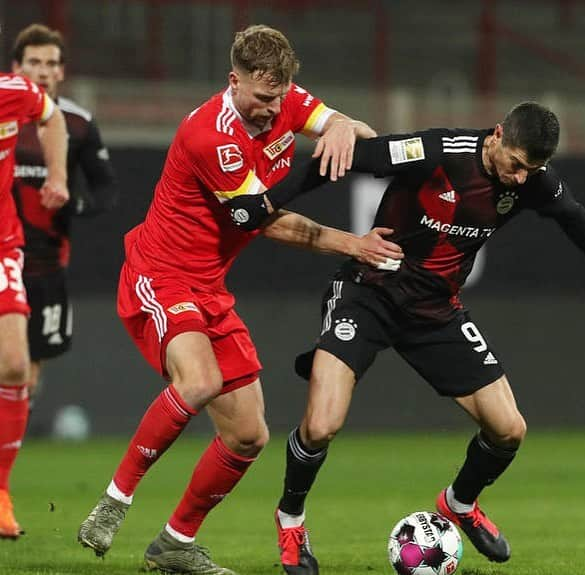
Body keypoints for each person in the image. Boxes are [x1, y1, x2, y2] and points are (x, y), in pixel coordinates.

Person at [228, 101, 585, 574]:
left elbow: (574, 217)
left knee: (509, 430)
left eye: (534, 170)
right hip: (369, 292)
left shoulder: (529, 181)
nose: (523, 179)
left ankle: (459, 504)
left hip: (435, 311)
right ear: (498, 134)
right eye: (516, 165)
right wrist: (266, 201)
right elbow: (345, 159)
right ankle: (291, 519)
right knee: (321, 424)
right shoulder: (437, 151)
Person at [76, 24, 402, 575]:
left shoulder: (286, 100)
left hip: (209, 286)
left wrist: (346, 127)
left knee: (249, 434)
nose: (271, 111)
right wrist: (350, 237)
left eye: (279, 98)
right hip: (161, 274)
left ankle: (175, 543)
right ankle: (114, 502)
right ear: (235, 81)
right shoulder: (212, 136)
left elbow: (345, 128)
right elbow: (261, 219)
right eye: (261, 97)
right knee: (198, 382)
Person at [11, 24, 117, 416]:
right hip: (4, 255)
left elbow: (106, 190)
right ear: (16, 67)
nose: (42, 71)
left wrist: (73, 204)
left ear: (61, 71)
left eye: (51, 63)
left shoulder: (78, 123)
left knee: (28, 370)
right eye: (34, 62)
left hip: (46, 262)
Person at [0, 72, 69, 539]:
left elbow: (54, 117)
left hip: (3, 244)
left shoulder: (15, 91)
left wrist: (59, 174)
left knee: (15, 365)